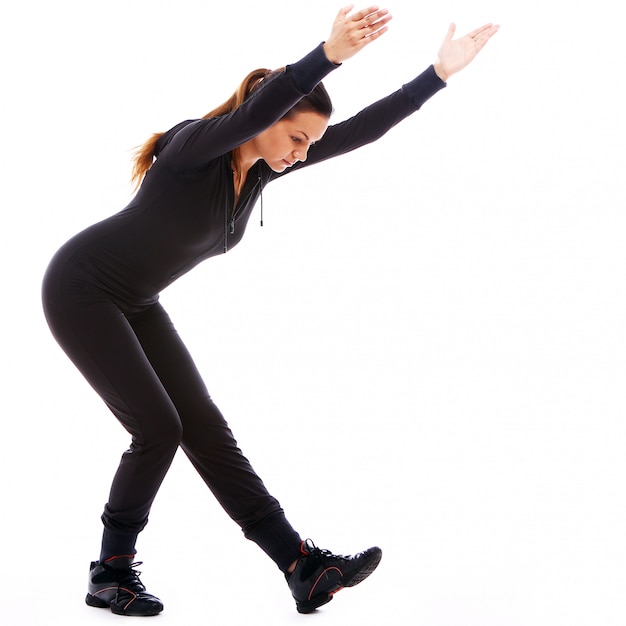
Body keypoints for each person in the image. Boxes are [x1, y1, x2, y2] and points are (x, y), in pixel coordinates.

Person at [41, 4, 499, 616]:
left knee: (204, 428)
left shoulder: (253, 175)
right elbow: (258, 108)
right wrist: (328, 55)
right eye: (296, 137)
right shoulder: (192, 151)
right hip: (80, 289)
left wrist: (436, 76)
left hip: (134, 300)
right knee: (158, 429)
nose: (302, 152)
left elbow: (362, 130)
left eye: (308, 142)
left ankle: (300, 565)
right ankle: (110, 571)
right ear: (263, 120)